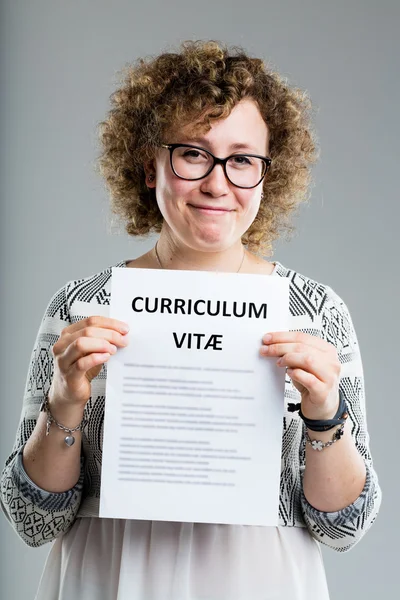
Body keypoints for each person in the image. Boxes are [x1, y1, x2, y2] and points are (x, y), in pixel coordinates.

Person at [0, 40, 381, 600]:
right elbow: (32, 522)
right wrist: (64, 402)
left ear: (266, 176)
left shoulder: (316, 312)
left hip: (259, 583)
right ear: (149, 166)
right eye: (193, 154)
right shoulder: (82, 306)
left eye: (242, 159)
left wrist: (325, 414)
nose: (218, 183)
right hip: (109, 580)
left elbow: (344, 527)